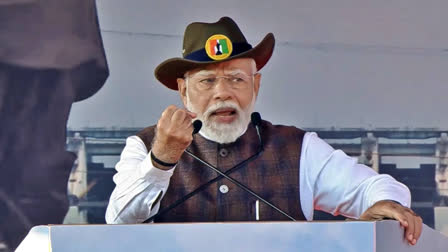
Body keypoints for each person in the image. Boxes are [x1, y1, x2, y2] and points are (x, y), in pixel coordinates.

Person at [106, 17, 422, 245]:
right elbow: (117, 223)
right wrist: (161, 160)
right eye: (207, 81)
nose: (223, 93)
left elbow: (375, 188)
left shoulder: (297, 149)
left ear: (255, 85)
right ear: (183, 90)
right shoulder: (144, 146)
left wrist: (385, 203)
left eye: (236, 79)